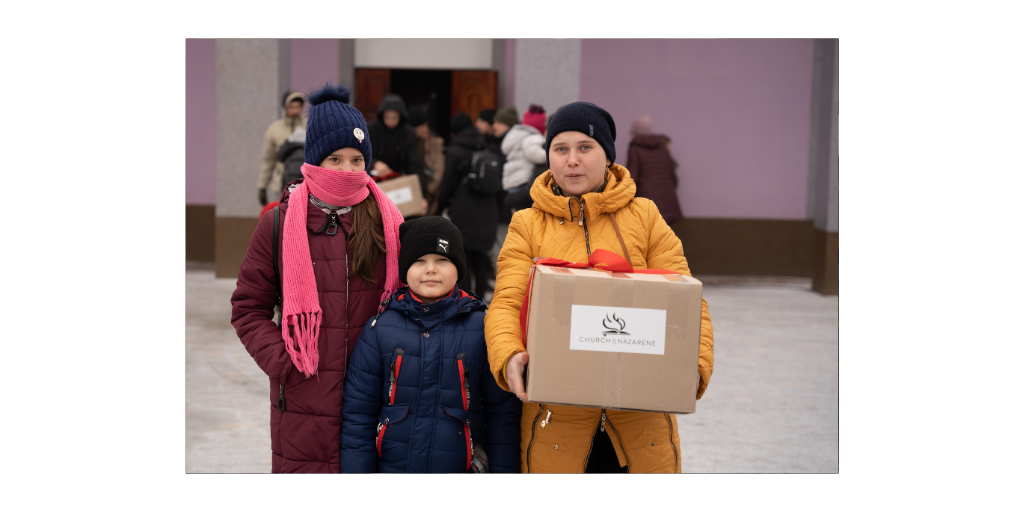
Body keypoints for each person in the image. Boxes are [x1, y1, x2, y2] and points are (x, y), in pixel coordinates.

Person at [483, 102, 715, 473]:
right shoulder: (527, 224)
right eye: (560, 149)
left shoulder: (646, 216)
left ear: (607, 156)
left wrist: (695, 368)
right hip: (556, 421)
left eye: (585, 148)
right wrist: (508, 353)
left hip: (641, 420)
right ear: (549, 158)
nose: (572, 160)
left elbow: (687, 302)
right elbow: (506, 303)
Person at [230, 84, 405, 473]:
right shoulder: (278, 223)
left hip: (374, 397)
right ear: (313, 160)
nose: (347, 171)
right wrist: (284, 362)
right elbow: (248, 308)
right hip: (302, 401)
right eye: (335, 159)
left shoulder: (388, 223)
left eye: (358, 160)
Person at [340, 217, 521, 473]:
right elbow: (358, 414)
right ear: (405, 270)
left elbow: (503, 414)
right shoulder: (380, 329)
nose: (430, 269)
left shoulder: (483, 328)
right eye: (419, 261)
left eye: (442, 260)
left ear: (459, 268)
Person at [435, 112, 498, 299]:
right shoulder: (484, 143)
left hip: (465, 209)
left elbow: (447, 184)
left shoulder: (455, 150)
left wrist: (439, 208)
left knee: (464, 259)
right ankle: (479, 302)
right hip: (487, 208)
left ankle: (466, 301)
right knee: (480, 258)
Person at [366, 93, 427, 198]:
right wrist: (374, 164)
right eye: (387, 117)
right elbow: (360, 155)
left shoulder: (408, 133)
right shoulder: (371, 129)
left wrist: (421, 195)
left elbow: (414, 165)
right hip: (373, 184)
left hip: (399, 186)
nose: (391, 121)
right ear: (382, 115)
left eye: (394, 118)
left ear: (400, 116)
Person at [626, 116, 684, 225]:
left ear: (636, 132)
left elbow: (632, 178)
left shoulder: (635, 149)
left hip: (646, 198)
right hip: (667, 197)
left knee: (647, 235)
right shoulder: (662, 147)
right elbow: (672, 174)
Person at [258, 91, 307, 206]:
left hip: (305, 183)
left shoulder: (309, 125)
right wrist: (262, 186)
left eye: (298, 107)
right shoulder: (274, 130)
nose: (295, 110)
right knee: (282, 219)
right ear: (285, 107)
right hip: (281, 184)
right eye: (291, 107)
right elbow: (268, 160)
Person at [500, 105, 547, 197]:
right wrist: (550, 156)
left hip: (511, 180)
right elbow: (535, 154)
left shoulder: (516, 135)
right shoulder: (532, 138)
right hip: (522, 179)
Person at [408, 107, 445, 211]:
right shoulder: (410, 144)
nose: (426, 129)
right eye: (422, 126)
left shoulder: (433, 144)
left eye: (427, 126)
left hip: (429, 194)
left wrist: (429, 190)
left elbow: (438, 172)